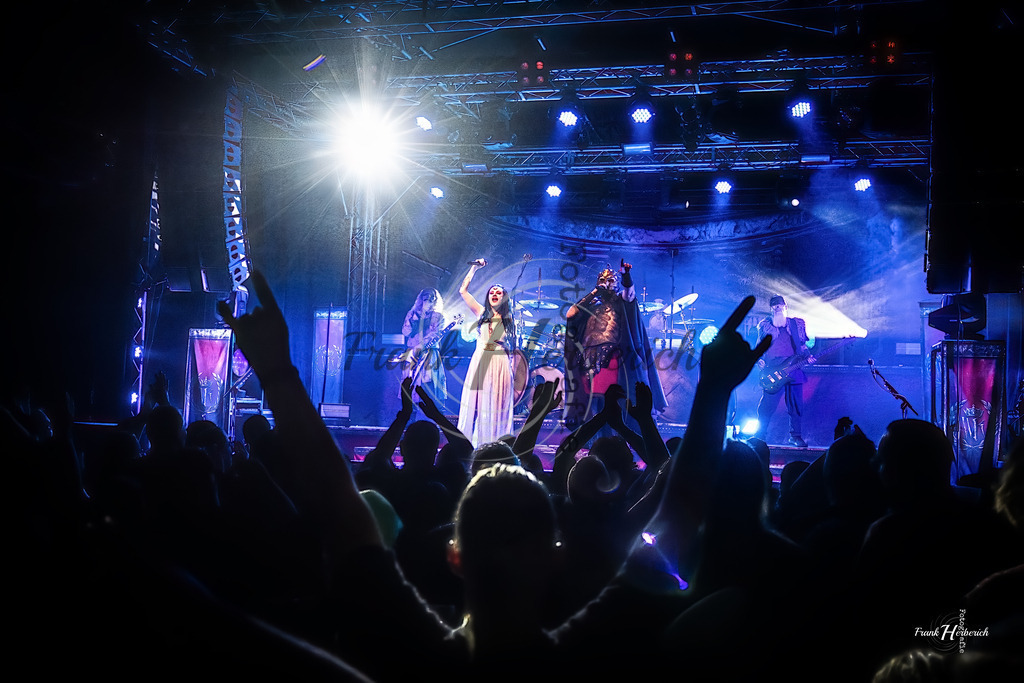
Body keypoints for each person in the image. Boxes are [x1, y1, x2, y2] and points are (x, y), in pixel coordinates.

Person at [563, 261, 666, 431]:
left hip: (613, 357)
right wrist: (595, 291)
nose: (608, 283)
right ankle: (594, 437)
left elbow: (629, 293)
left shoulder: (622, 302)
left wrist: (626, 275)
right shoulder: (591, 305)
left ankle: (616, 436)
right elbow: (571, 313)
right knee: (591, 401)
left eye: (611, 280)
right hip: (588, 358)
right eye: (604, 280)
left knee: (613, 398)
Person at [456, 260, 515, 448]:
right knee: (476, 402)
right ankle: (473, 444)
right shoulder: (481, 312)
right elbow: (463, 291)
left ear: (504, 297)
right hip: (481, 359)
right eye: (492, 292)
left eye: (498, 293)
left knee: (497, 402)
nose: (494, 295)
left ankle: (496, 444)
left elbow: (513, 349)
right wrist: (474, 268)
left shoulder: (508, 319)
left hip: (499, 362)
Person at [755, 295, 813, 447]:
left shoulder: (796, 324)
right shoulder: (765, 325)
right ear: (771, 310)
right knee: (767, 405)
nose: (777, 309)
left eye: (780, 306)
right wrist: (759, 359)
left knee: (796, 405)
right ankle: (759, 435)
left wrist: (808, 357)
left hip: (794, 368)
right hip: (772, 369)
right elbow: (759, 347)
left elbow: (803, 346)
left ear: (786, 307)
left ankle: (795, 436)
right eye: (774, 307)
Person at [401, 288, 448, 402]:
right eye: (425, 297)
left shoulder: (439, 317)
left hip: (429, 354)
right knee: (410, 384)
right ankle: (410, 415)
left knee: (428, 385)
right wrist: (414, 319)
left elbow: (435, 334)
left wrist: (421, 346)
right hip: (412, 353)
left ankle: (429, 414)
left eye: (431, 298)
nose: (428, 300)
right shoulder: (412, 314)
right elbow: (405, 332)